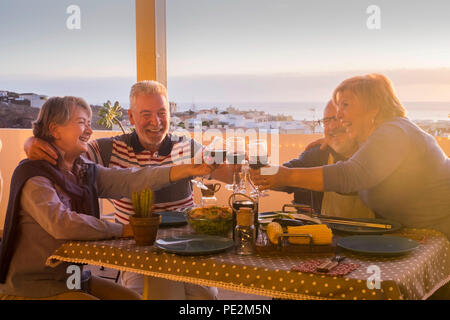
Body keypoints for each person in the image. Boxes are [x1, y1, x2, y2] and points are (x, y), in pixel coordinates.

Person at [24, 81, 231, 299]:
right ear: (131, 117)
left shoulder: (186, 147)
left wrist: (234, 164)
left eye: (162, 113)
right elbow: (61, 160)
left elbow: (225, 173)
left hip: (188, 246)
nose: (156, 121)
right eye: (146, 114)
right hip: (137, 249)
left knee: (203, 297)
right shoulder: (107, 149)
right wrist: (33, 141)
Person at [251, 73, 450, 239]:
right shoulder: (379, 138)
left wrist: (287, 176)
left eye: (345, 105)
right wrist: (333, 138)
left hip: (441, 227)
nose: (339, 115)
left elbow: (351, 175)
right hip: (419, 231)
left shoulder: (394, 131)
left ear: (373, 107)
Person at [281, 100, 374, 218]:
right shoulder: (318, 154)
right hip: (329, 235)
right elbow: (285, 176)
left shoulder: (378, 156)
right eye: (326, 121)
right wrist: (263, 171)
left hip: (377, 236)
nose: (332, 126)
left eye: (338, 119)